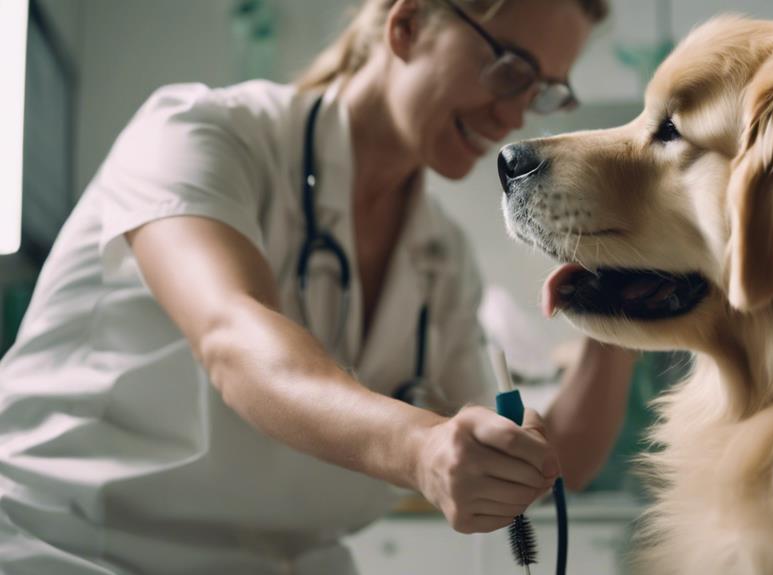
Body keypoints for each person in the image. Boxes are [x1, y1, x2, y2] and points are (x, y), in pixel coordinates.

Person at [0, 0, 639, 572]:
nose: (513, 115)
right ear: (409, 24)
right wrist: (420, 447)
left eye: (542, 93)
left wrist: (626, 286)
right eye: (509, 69)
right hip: (65, 544)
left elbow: (554, 463)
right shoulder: (197, 134)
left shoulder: (440, 257)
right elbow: (231, 338)